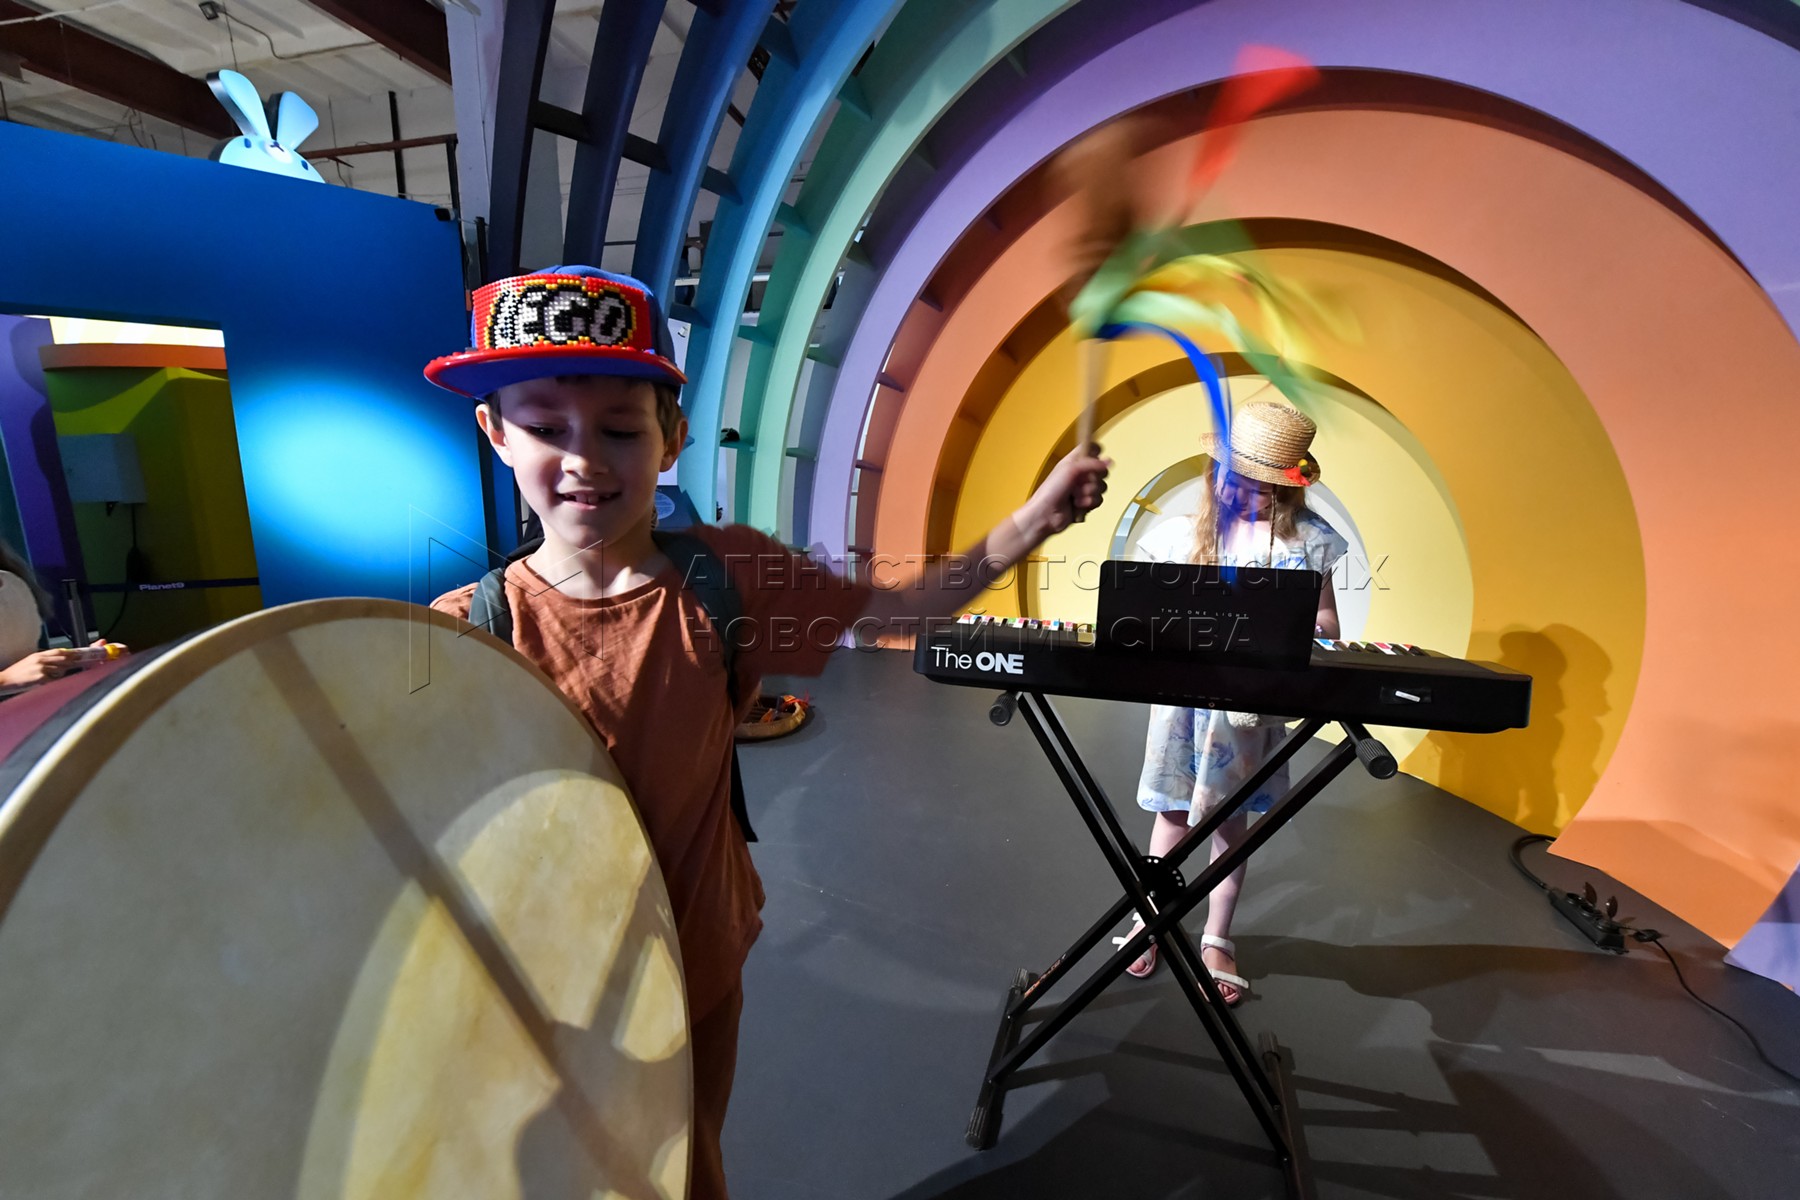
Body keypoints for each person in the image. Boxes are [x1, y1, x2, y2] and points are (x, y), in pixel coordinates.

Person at [423, 266, 1109, 1199]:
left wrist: (1032, 520)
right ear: (495, 431)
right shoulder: (468, 630)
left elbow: (898, 612)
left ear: (672, 438)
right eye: (547, 427)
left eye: (620, 430)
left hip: (695, 960)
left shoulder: (728, 579)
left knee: (685, 1163)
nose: (583, 459)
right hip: (547, 987)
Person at [1120, 400, 1345, 1003]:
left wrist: (1298, 626)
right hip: (1184, 704)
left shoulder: (1311, 543)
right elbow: (1142, 615)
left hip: (1249, 708)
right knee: (1171, 814)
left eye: (1257, 486)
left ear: (1285, 489)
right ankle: (1148, 920)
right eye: (1231, 479)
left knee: (1230, 822)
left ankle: (1217, 937)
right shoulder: (1181, 534)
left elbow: (1329, 626)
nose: (1239, 492)